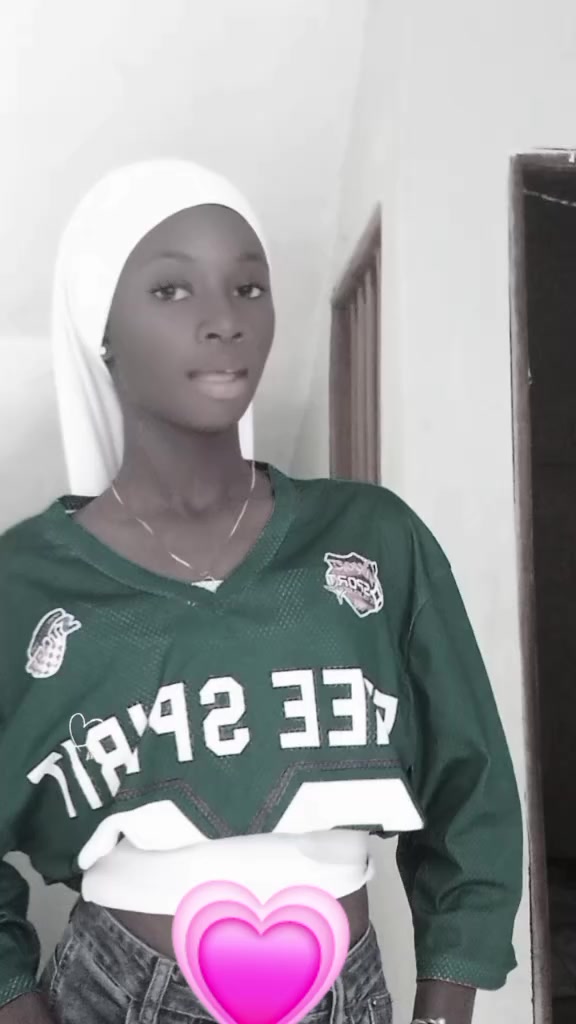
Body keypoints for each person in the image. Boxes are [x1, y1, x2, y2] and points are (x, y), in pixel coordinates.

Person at [0, 159, 522, 1024]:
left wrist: (447, 995)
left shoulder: (373, 538)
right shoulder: (25, 584)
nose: (224, 321)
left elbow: (471, 783)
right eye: (171, 290)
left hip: (344, 991)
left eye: (249, 288)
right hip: (118, 995)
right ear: (102, 329)